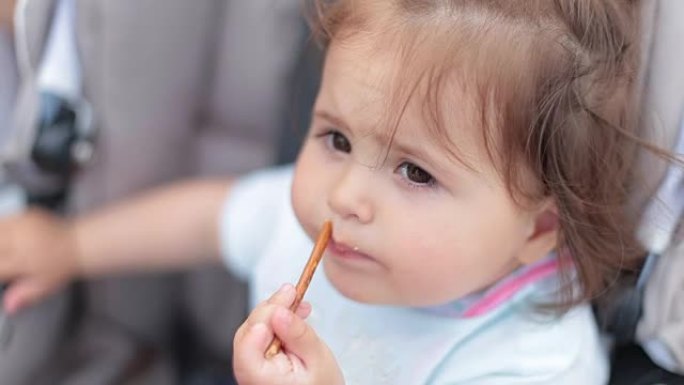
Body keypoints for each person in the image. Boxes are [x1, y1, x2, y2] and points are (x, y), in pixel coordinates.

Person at [0, 0, 667, 383]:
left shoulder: (532, 361)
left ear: (538, 230)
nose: (345, 193)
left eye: (416, 171)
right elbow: (211, 217)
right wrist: (72, 245)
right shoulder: (327, 229)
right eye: (337, 139)